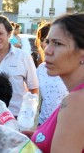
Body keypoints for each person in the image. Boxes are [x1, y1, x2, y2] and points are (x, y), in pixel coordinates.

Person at [24, 13, 84, 152]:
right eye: (48, 42)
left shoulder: (76, 102)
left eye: (57, 43)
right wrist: (42, 138)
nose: (47, 50)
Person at [34, 22, 68, 125]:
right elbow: (35, 98)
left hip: (65, 125)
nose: (49, 46)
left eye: (56, 42)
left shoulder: (72, 68)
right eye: (46, 41)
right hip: (44, 125)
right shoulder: (41, 69)